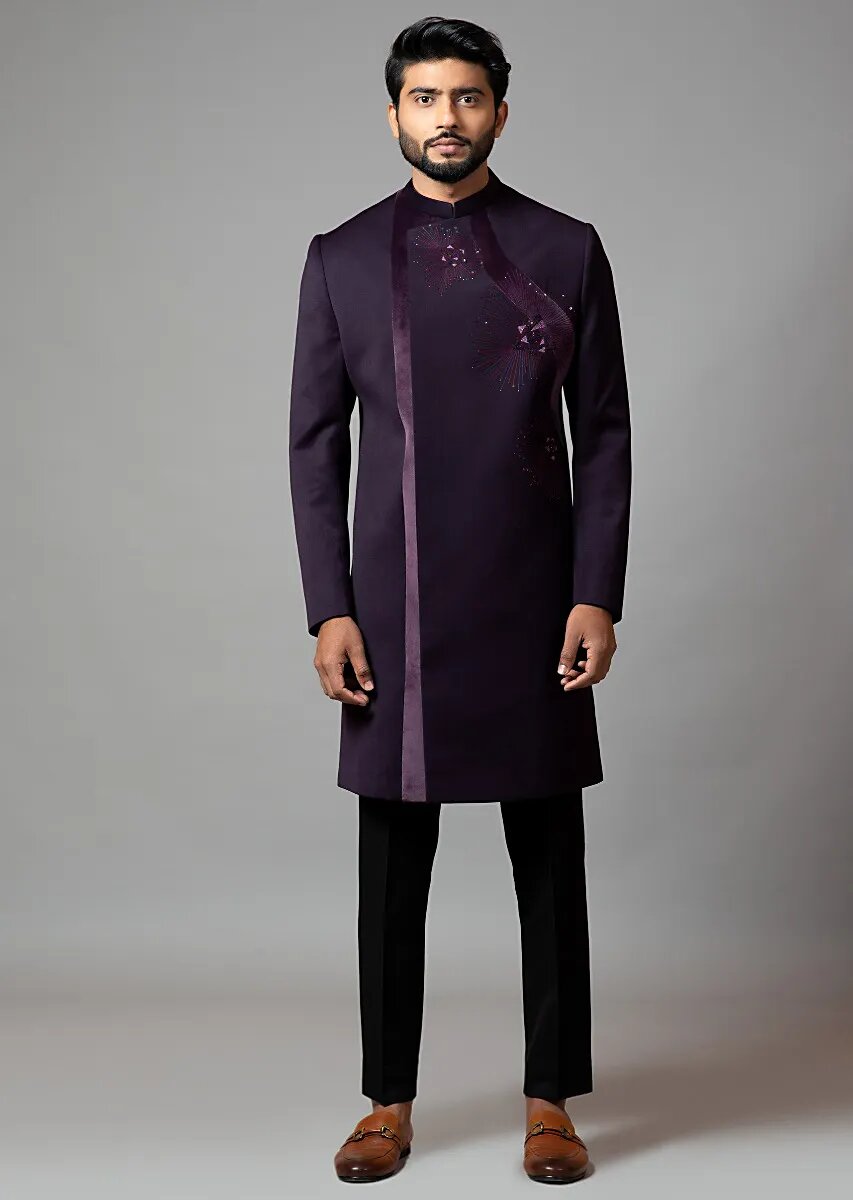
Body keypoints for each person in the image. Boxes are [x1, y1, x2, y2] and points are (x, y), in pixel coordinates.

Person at [288, 16, 631, 1185]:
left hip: (537, 601)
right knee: (393, 865)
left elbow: (606, 435)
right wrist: (328, 607)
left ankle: (551, 1102)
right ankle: (386, 1102)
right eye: (425, 97)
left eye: (468, 96)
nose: (447, 116)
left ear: (499, 111)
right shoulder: (341, 257)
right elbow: (314, 446)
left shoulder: (564, 248)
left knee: (549, 857)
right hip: (392, 611)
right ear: (393, 113)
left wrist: (596, 593)